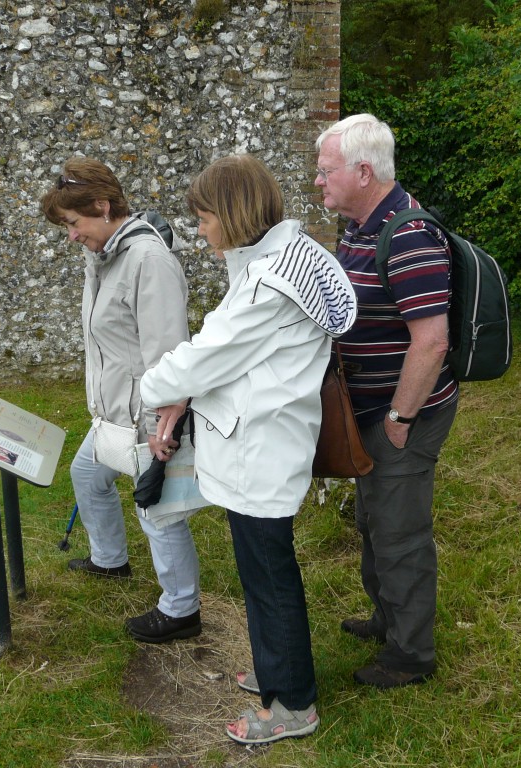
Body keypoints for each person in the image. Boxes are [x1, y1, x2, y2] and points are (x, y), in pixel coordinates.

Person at [140, 154, 357, 744]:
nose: (202, 229)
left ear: (233, 214)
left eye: (205, 217)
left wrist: (151, 387)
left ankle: (291, 705)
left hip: (260, 449)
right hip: (259, 441)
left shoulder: (269, 283)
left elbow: (208, 354)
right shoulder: (274, 260)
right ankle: (274, 668)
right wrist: (182, 397)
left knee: (268, 575)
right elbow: (226, 352)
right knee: (263, 570)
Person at [315, 113, 459, 689]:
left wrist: (400, 419)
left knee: (400, 531)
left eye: (326, 172)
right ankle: (387, 617)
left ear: (363, 171)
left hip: (406, 411)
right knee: (376, 519)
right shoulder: (359, 225)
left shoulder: (407, 236)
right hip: (370, 409)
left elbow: (432, 339)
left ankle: (410, 654)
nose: (318, 181)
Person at [40, 157, 202, 644]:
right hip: (111, 415)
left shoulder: (147, 261)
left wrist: (162, 428)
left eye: (74, 223)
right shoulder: (105, 257)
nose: (71, 236)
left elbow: (167, 352)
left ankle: (181, 609)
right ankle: (109, 560)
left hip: (145, 419)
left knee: (158, 511)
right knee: (87, 473)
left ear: (103, 206)